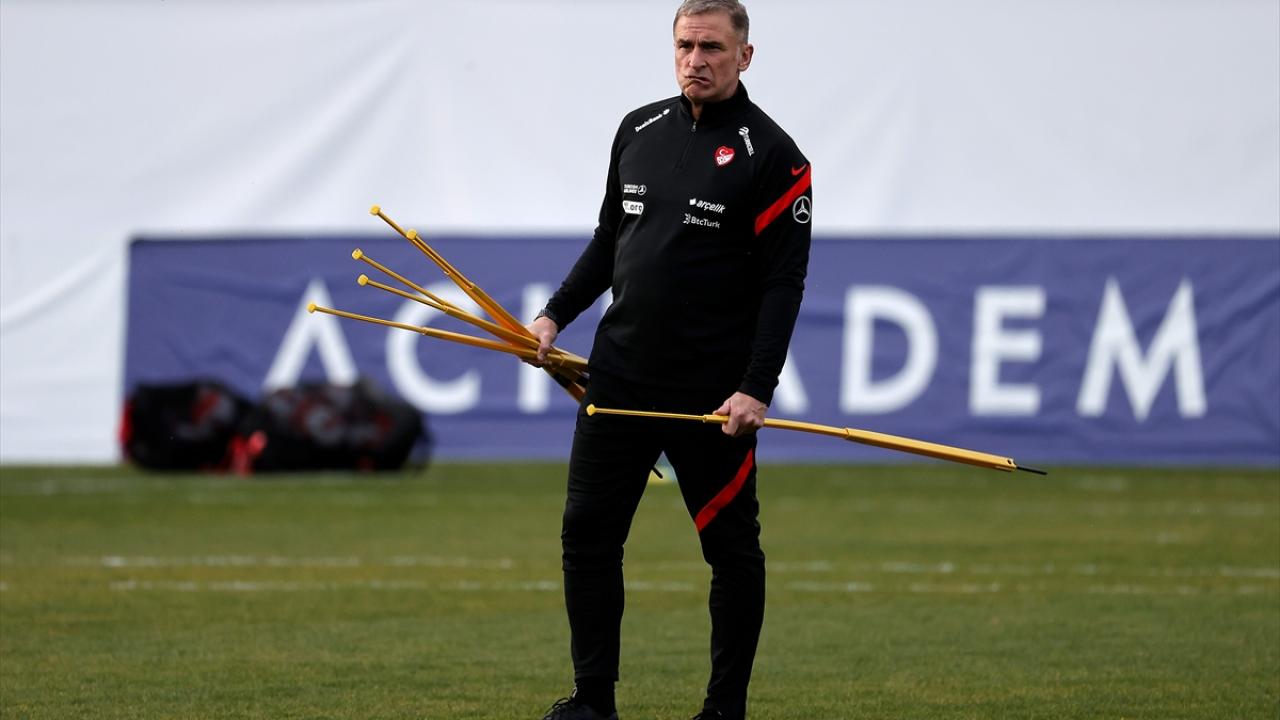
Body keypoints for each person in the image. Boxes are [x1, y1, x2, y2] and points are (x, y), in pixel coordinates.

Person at [529, 1, 811, 718]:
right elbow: (608, 241)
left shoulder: (776, 157)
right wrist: (555, 314)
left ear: (745, 55)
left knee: (731, 551)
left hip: (710, 395)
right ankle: (592, 701)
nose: (696, 60)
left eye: (712, 47)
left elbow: (783, 285)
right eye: (685, 45)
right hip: (617, 378)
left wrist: (756, 387)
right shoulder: (638, 128)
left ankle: (724, 709)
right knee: (587, 537)